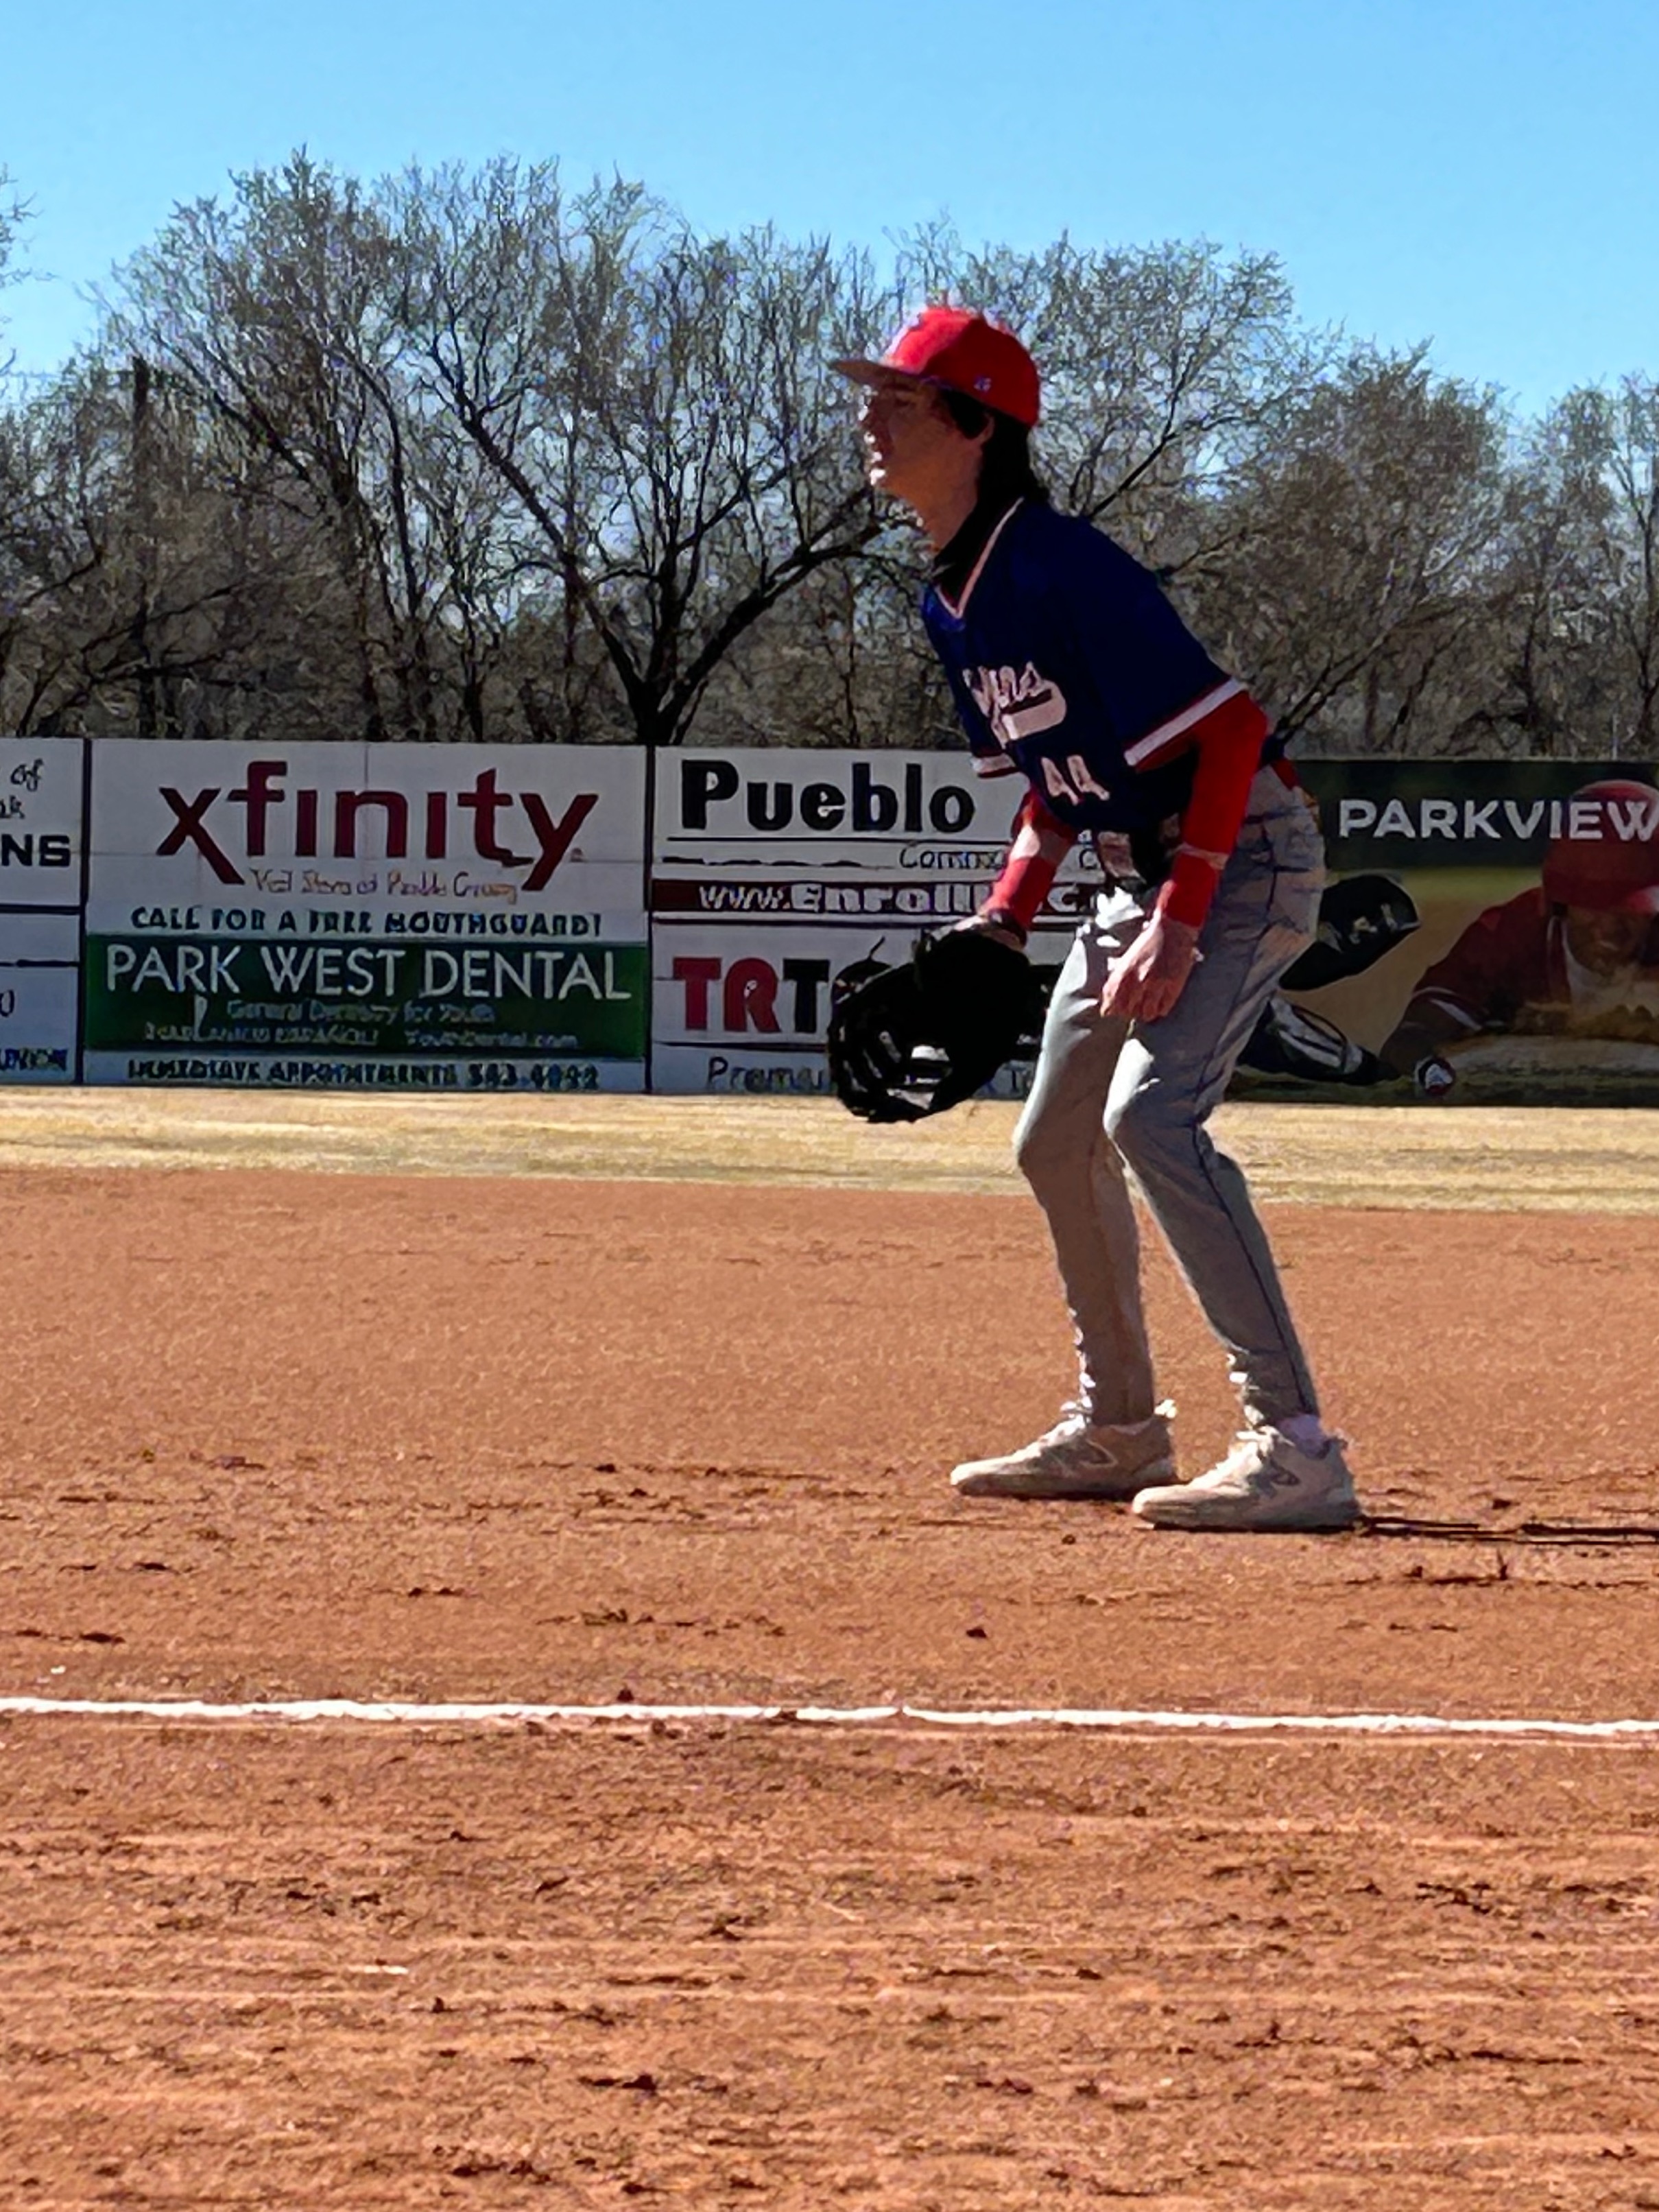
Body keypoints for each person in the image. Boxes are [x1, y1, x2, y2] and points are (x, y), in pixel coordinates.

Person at [833, 305, 1358, 1532]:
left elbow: (1227, 735)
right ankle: (1119, 1427)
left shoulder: (1060, 562)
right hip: (1137, 876)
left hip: (1241, 862)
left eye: (897, 402)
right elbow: (1053, 778)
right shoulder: (949, 597)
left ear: (973, 426)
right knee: (1051, 1141)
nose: (869, 420)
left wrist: (1179, 924)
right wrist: (1004, 918)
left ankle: (1295, 1446)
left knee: (1152, 1118)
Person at [1381, 777, 1659, 1095]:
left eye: (1627, 909)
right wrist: (1432, 1069)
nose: (1609, 926)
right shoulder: (1509, 935)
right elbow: (1411, 1037)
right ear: (1559, 901)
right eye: (1591, 905)